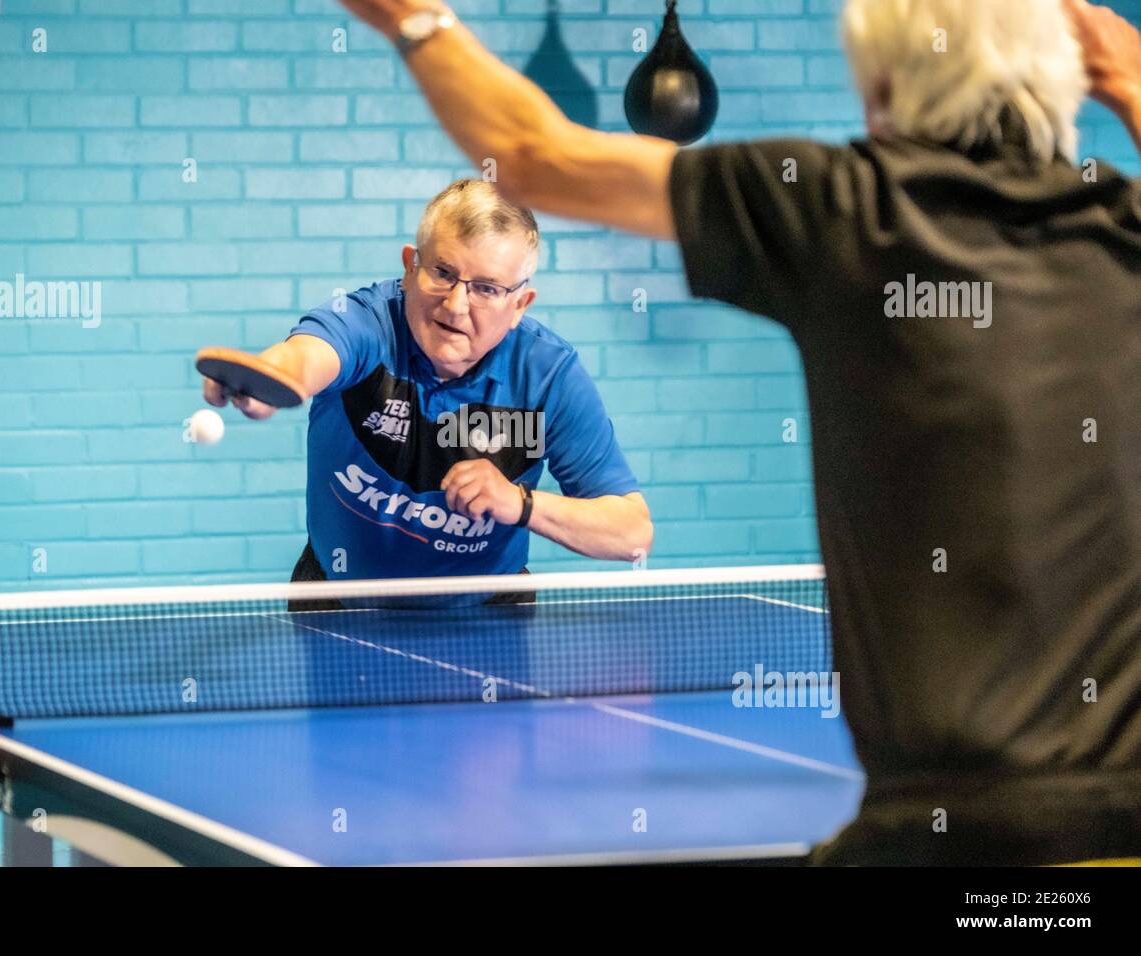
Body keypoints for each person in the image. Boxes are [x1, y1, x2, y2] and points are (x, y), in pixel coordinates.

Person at [332, 0, 1141, 863]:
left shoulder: (844, 208)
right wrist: (1131, 83)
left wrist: (413, 17)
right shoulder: (1121, 226)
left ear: (881, 86)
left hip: (957, 829)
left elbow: (535, 153)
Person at [203, 179, 652, 600]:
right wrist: (269, 378)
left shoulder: (547, 374)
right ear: (409, 266)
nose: (456, 305)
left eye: (486, 288)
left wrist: (519, 503)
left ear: (519, 305)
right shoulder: (366, 324)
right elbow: (307, 355)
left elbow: (632, 533)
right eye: (442, 272)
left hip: (488, 614)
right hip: (339, 604)